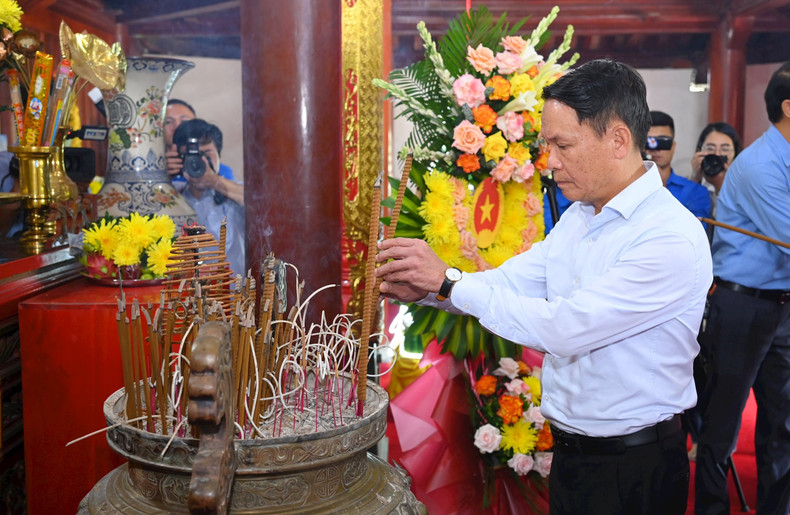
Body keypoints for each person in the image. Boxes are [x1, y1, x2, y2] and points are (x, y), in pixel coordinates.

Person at [376, 59, 712, 514]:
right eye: (547, 145)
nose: (550, 162)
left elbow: (565, 328)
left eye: (563, 145)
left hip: (633, 466)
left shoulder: (668, 236)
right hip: (574, 457)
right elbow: (509, 283)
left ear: (618, 140)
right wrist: (429, 288)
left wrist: (448, 282)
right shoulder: (581, 216)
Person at [694, 62, 790, 515]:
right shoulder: (759, 165)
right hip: (741, 305)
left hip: (781, 306)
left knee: (782, 426)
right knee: (722, 426)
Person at [173, 119, 246, 277]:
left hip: (234, 289)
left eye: (206, 153)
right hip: (189, 289)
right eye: (191, 155)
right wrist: (163, 174)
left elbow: (262, 202)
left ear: (219, 155)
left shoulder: (235, 191)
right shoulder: (173, 194)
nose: (200, 161)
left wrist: (215, 182)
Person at [647, 111, 711, 220]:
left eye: (663, 142)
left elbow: (695, 228)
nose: (656, 149)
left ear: (673, 146)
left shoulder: (695, 191)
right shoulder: (626, 188)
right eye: (649, 142)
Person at [164, 99, 237, 186]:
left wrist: (214, 180)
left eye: (185, 121)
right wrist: (161, 177)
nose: (177, 126)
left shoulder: (220, 169)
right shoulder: (157, 169)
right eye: (168, 122)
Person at [689, 122, 742, 217]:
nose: (717, 154)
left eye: (725, 149)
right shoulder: (691, 183)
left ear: (736, 153)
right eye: (710, 148)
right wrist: (694, 179)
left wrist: (721, 186)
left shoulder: (744, 185)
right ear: (699, 151)